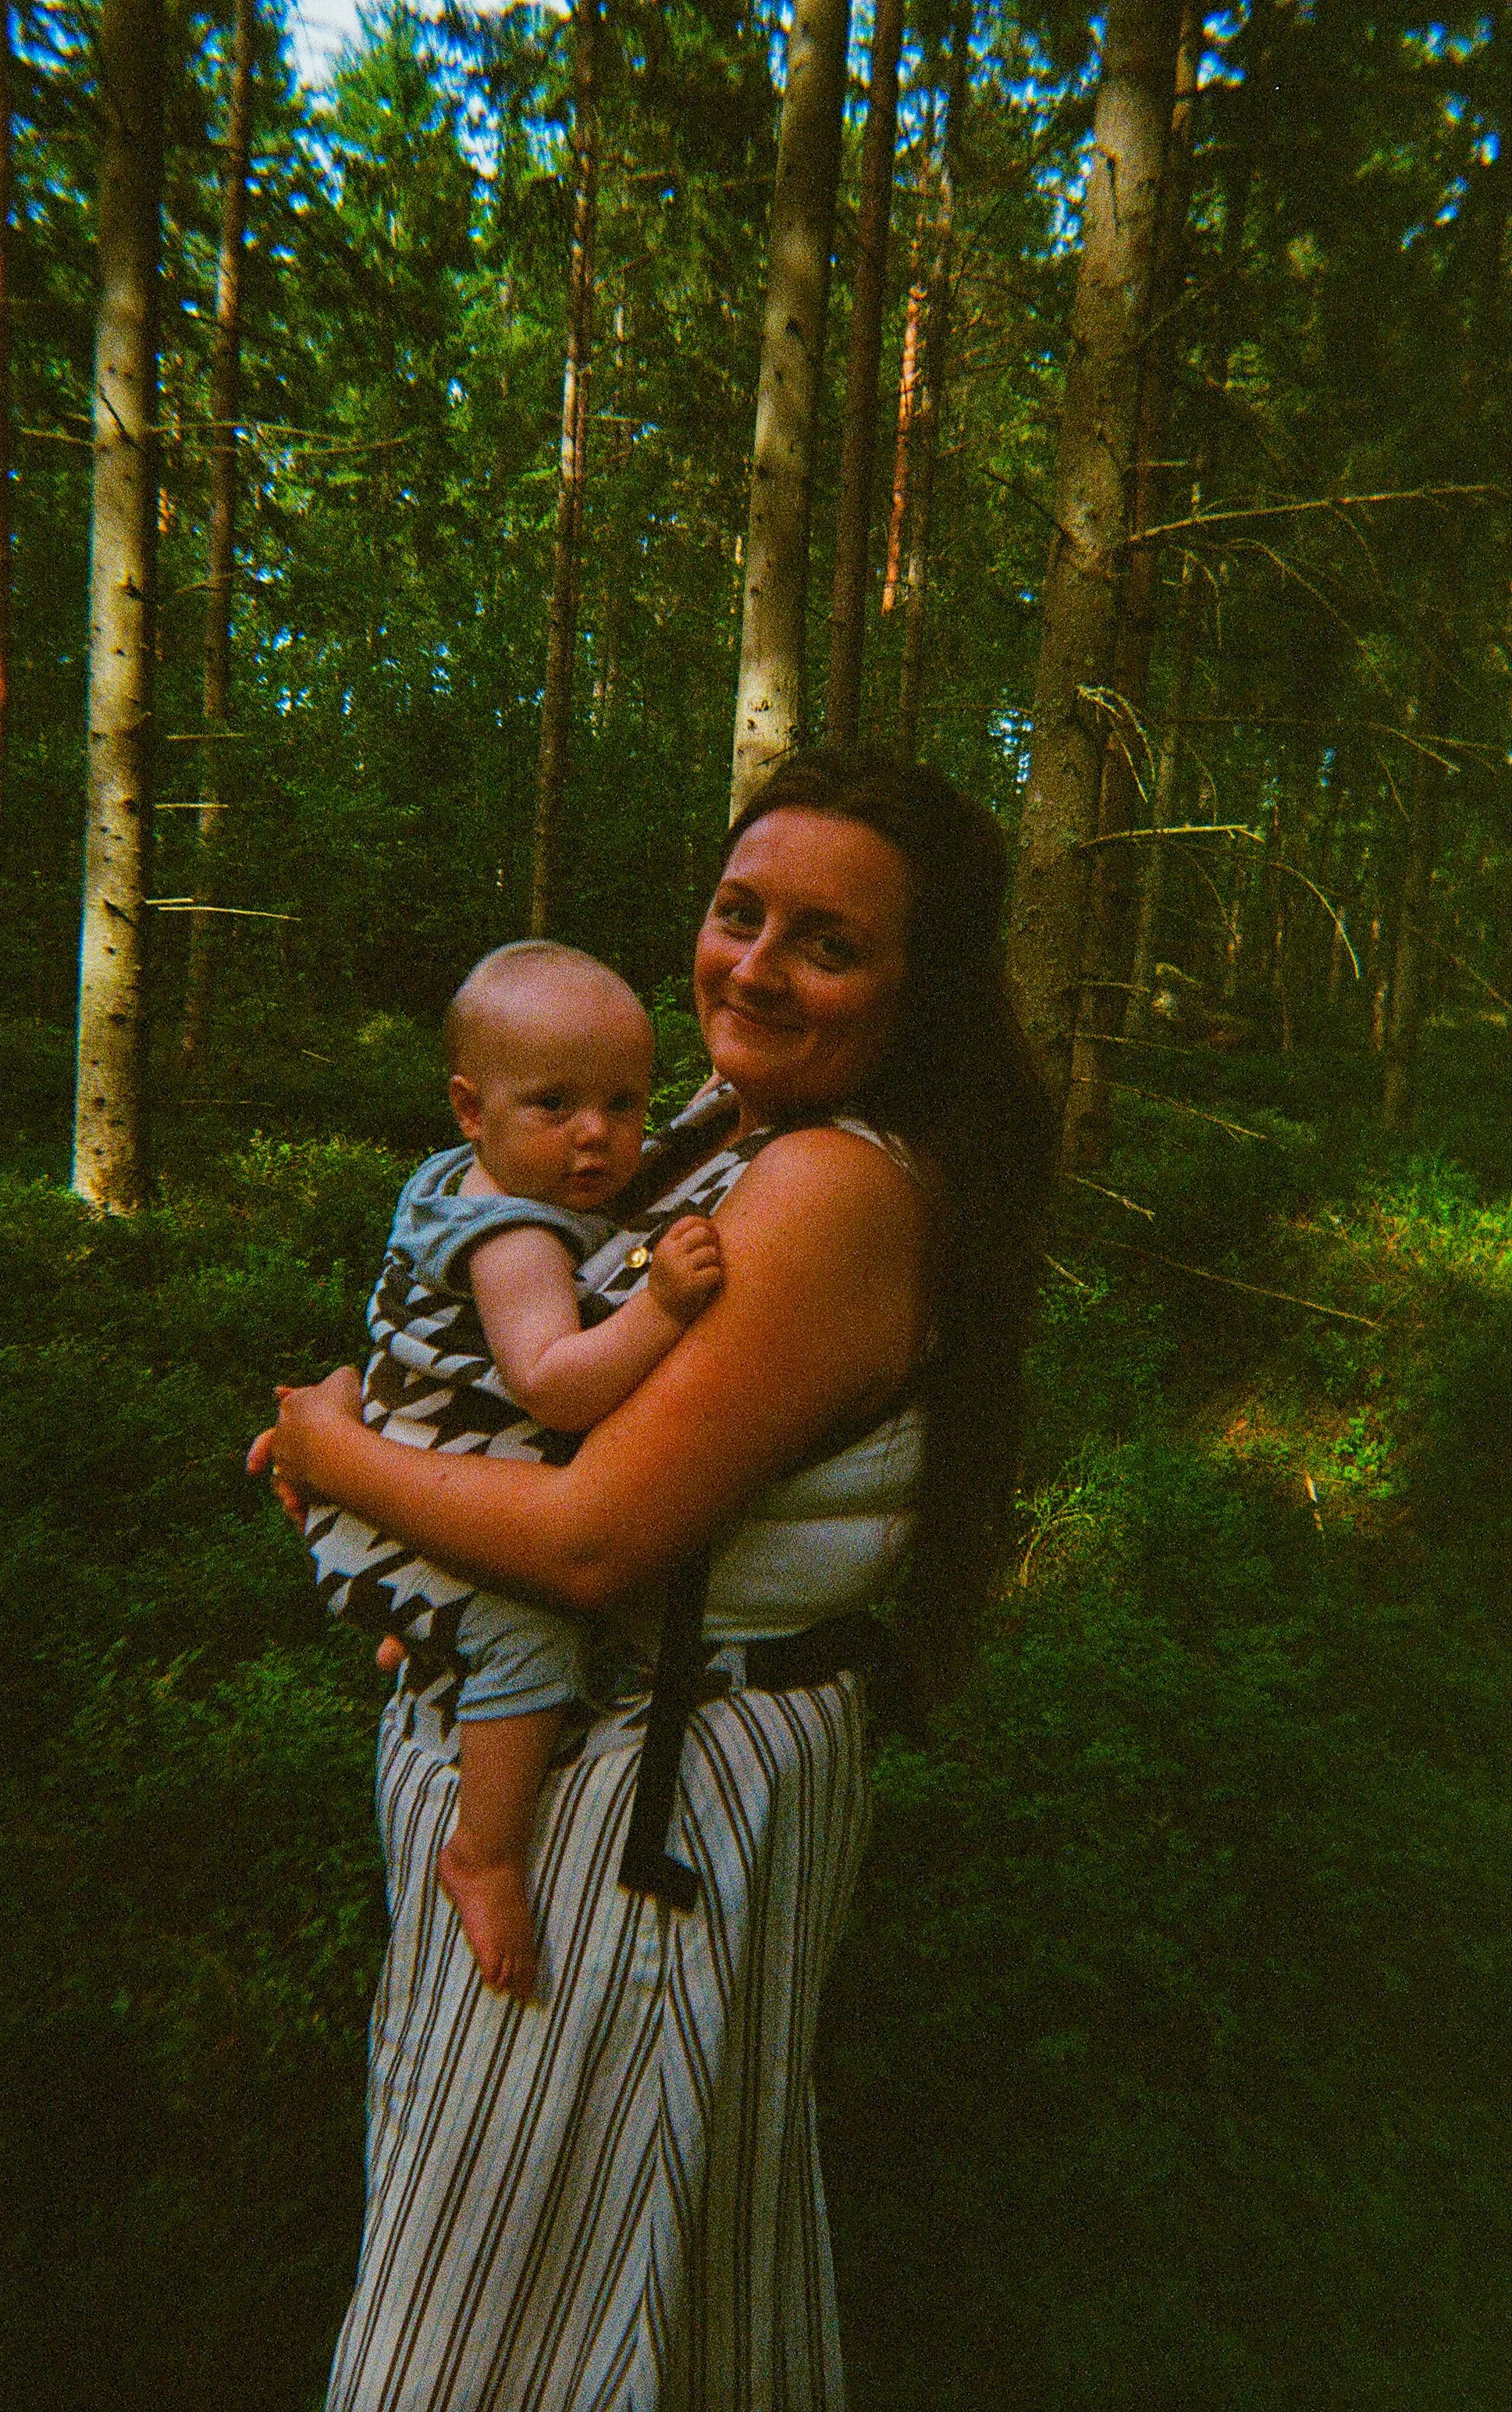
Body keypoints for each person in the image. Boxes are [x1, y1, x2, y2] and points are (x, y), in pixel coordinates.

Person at [251, 748, 1057, 2412]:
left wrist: (329, 1451)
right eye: (736, 910)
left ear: (920, 990)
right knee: (634, 2285)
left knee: (500, 2330)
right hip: (581, 1770)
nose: (753, 965)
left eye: (826, 941)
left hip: (645, 1805)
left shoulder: (831, 1184)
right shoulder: (707, 1128)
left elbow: (595, 1536)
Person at [305, 939, 724, 2000]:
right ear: (468, 1107)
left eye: (624, 1104)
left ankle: (421, 1632)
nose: (599, 1138)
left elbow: (633, 1158)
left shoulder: (484, 1173)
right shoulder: (515, 1243)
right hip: (405, 1507)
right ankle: (483, 1855)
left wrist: (717, 1101)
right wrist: (663, 1308)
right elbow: (555, 1385)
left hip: (414, 1470)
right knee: (532, 1634)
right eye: (555, 1105)